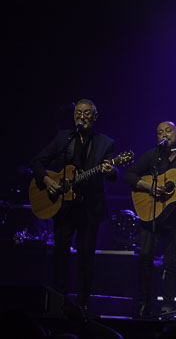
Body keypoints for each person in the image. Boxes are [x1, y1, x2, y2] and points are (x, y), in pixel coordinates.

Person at [30, 99, 117, 312]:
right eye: (79, 112)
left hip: (90, 207)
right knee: (60, 252)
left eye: (87, 113)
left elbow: (114, 174)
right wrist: (47, 180)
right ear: (74, 115)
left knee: (86, 256)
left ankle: (83, 304)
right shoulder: (63, 138)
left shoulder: (105, 143)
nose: (82, 116)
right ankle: (59, 298)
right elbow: (37, 162)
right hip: (64, 206)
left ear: (95, 117)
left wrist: (110, 171)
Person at [124, 121, 176, 317]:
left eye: (168, 131)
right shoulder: (153, 155)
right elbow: (129, 175)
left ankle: (168, 306)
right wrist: (147, 186)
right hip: (152, 217)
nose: (164, 134)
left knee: (172, 263)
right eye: (159, 132)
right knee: (145, 259)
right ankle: (143, 303)